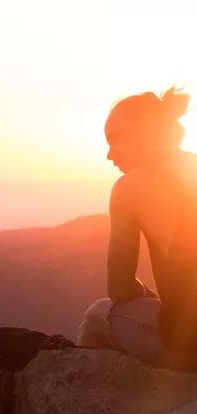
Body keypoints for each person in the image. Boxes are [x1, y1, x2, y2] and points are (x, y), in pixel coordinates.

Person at [77, 87, 197, 370]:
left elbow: (119, 287)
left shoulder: (130, 186)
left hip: (189, 349)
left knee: (97, 315)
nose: (109, 154)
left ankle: (85, 401)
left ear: (144, 132)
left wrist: (147, 293)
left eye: (115, 139)